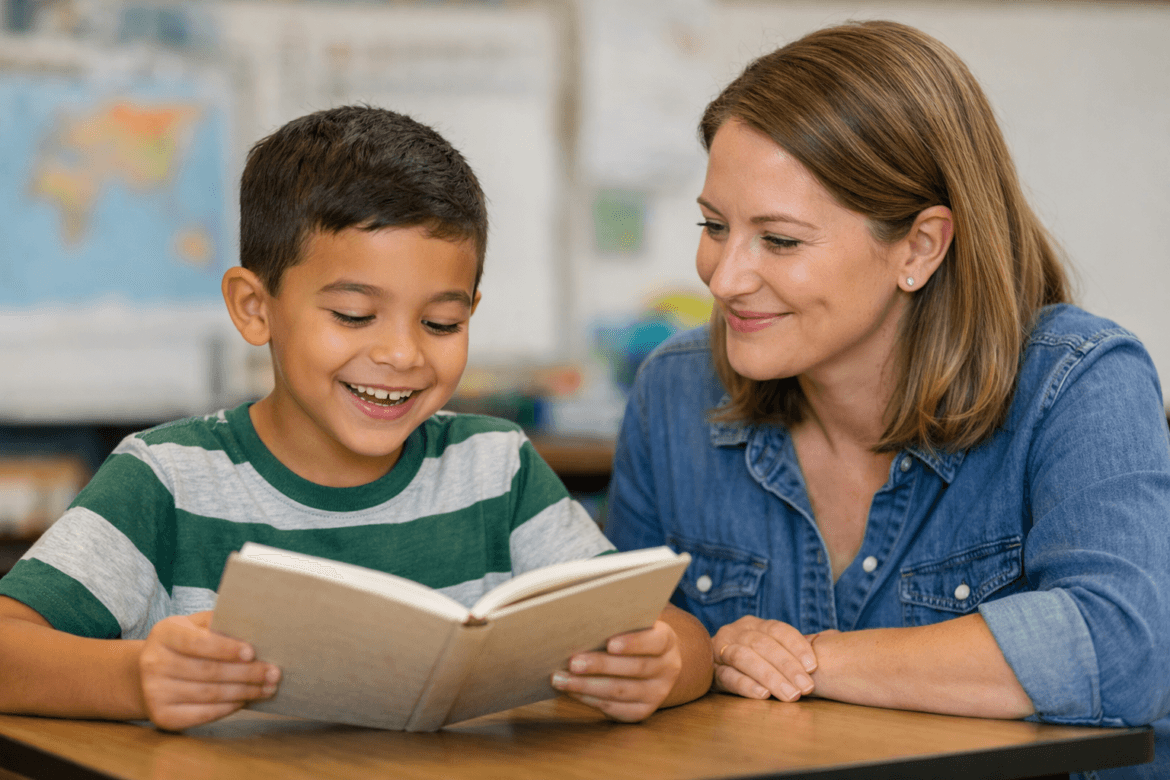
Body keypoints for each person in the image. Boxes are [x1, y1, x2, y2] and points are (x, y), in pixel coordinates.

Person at [0, 106, 713, 731]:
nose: (401, 354)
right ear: (255, 308)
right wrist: (136, 679)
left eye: (441, 322)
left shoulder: (493, 467)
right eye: (352, 315)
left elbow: (676, 631)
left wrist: (658, 665)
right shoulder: (167, 479)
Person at [604, 20, 1170, 779]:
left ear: (919, 247)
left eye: (779, 241)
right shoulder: (673, 390)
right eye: (714, 226)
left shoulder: (1078, 381)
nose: (724, 276)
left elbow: (1124, 650)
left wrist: (808, 660)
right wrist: (683, 653)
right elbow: (622, 635)